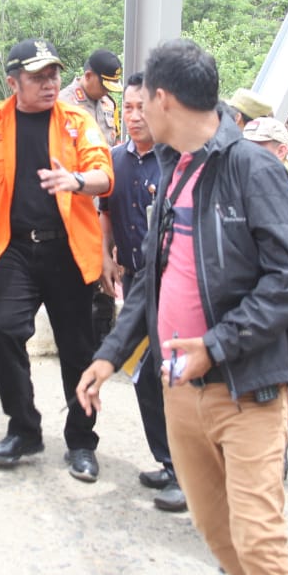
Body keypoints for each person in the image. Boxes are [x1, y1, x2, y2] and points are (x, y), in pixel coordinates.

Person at [77, 38, 288, 575]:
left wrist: (216, 345)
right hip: (178, 387)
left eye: (139, 101)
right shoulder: (172, 167)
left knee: (258, 533)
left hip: (244, 386)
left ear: (162, 98)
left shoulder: (251, 169)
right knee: (212, 522)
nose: (134, 112)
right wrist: (110, 355)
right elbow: (153, 281)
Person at [0, 38, 113, 480]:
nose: (49, 84)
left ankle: (82, 441)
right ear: (13, 82)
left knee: (78, 350)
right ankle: (24, 428)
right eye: (37, 77)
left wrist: (77, 180)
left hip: (69, 250)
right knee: (2, 331)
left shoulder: (77, 122)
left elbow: (104, 175)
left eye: (54, 75)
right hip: (15, 248)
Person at [95, 72, 184, 512]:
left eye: (140, 107)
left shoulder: (178, 161)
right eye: (126, 107)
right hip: (135, 283)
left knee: (174, 378)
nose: (133, 116)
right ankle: (170, 463)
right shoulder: (115, 159)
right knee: (145, 377)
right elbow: (106, 210)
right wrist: (106, 254)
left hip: (175, 289)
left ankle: (189, 473)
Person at [61, 49, 122, 352]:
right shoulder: (63, 104)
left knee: (106, 269)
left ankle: (104, 341)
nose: (108, 93)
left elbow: (115, 149)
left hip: (104, 205)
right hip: (75, 205)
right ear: (87, 77)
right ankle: (76, 342)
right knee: (77, 273)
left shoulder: (110, 105)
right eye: (104, 84)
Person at [244, 117, 288, 190]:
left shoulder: (284, 190)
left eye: (256, 148)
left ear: (281, 151)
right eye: (244, 147)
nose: (246, 154)